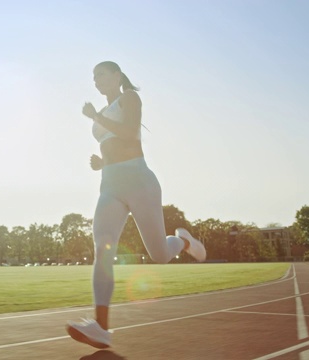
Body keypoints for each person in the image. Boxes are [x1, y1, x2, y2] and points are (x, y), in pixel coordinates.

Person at [66, 61, 207, 349]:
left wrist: (95, 116)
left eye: (101, 75)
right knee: (103, 248)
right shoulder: (103, 113)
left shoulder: (129, 98)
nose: (96, 81)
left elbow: (130, 135)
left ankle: (182, 242)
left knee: (160, 255)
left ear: (117, 76)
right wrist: (102, 163)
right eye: (93, 77)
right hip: (110, 186)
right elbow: (114, 146)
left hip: (140, 182)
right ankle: (101, 327)